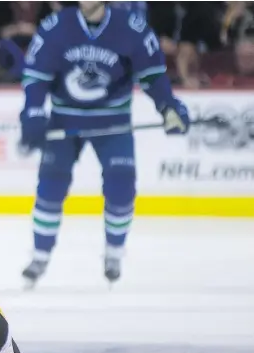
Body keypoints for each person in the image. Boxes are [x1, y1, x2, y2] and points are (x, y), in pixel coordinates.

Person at [19, 1, 191, 286]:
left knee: (121, 186)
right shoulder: (56, 26)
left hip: (112, 123)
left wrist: (169, 108)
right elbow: (36, 76)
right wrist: (33, 112)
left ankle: (114, 251)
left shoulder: (132, 27)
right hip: (66, 120)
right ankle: (40, 254)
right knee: (50, 187)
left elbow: (152, 76)